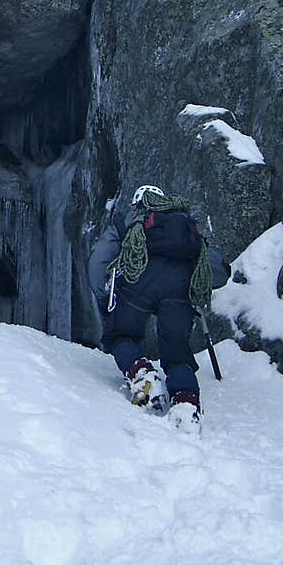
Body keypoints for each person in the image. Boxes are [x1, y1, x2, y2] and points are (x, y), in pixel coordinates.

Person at [88, 184, 231, 432]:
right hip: (179, 290)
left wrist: (104, 296)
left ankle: (144, 378)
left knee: (121, 336)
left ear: (137, 203)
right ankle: (186, 404)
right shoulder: (185, 225)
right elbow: (218, 271)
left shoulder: (131, 221)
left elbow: (99, 258)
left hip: (137, 283)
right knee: (177, 352)